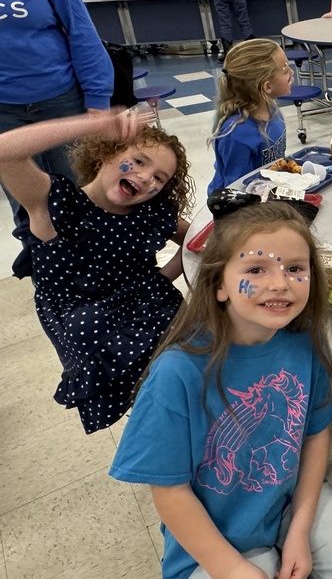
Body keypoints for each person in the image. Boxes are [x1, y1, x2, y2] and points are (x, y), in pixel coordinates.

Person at [109, 201, 332, 579]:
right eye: (256, 269)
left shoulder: (306, 343)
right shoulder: (176, 374)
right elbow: (169, 492)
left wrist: (299, 528)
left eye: (295, 268)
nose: (279, 283)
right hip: (214, 539)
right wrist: (229, 568)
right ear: (218, 286)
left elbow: (314, 435)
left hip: (288, 503)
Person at [0, 109, 193, 433]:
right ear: (106, 151)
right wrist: (97, 124)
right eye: (141, 161)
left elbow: (196, 237)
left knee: (181, 383)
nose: (148, 178)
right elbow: (6, 151)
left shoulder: (148, 210)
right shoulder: (57, 207)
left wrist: (163, 277)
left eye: (160, 178)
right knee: (151, 403)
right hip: (96, 334)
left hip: (154, 312)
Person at [0, 0, 113, 276]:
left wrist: (97, 98)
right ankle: (53, 285)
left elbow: (78, 24)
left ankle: (103, 276)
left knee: (87, 194)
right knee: (28, 207)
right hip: (4, 112)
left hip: (62, 100)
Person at [208, 39, 294, 195]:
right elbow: (237, 189)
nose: (292, 72)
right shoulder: (236, 135)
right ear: (267, 86)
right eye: (285, 68)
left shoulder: (273, 110)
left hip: (267, 192)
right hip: (240, 205)